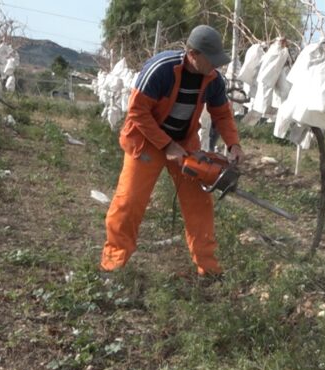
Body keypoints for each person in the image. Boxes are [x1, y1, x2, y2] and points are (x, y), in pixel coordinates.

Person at [101, 25, 244, 277]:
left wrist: (233, 144)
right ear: (192, 53)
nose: (216, 66)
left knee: (199, 203)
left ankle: (208, 270)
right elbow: (137, 113)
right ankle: (113, 265)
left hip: (185, 142)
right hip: (146, 140)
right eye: (211, 60)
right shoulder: (160, 70)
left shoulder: (213, 80)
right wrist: (167, 145)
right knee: (130, 201)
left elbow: (221, 113)